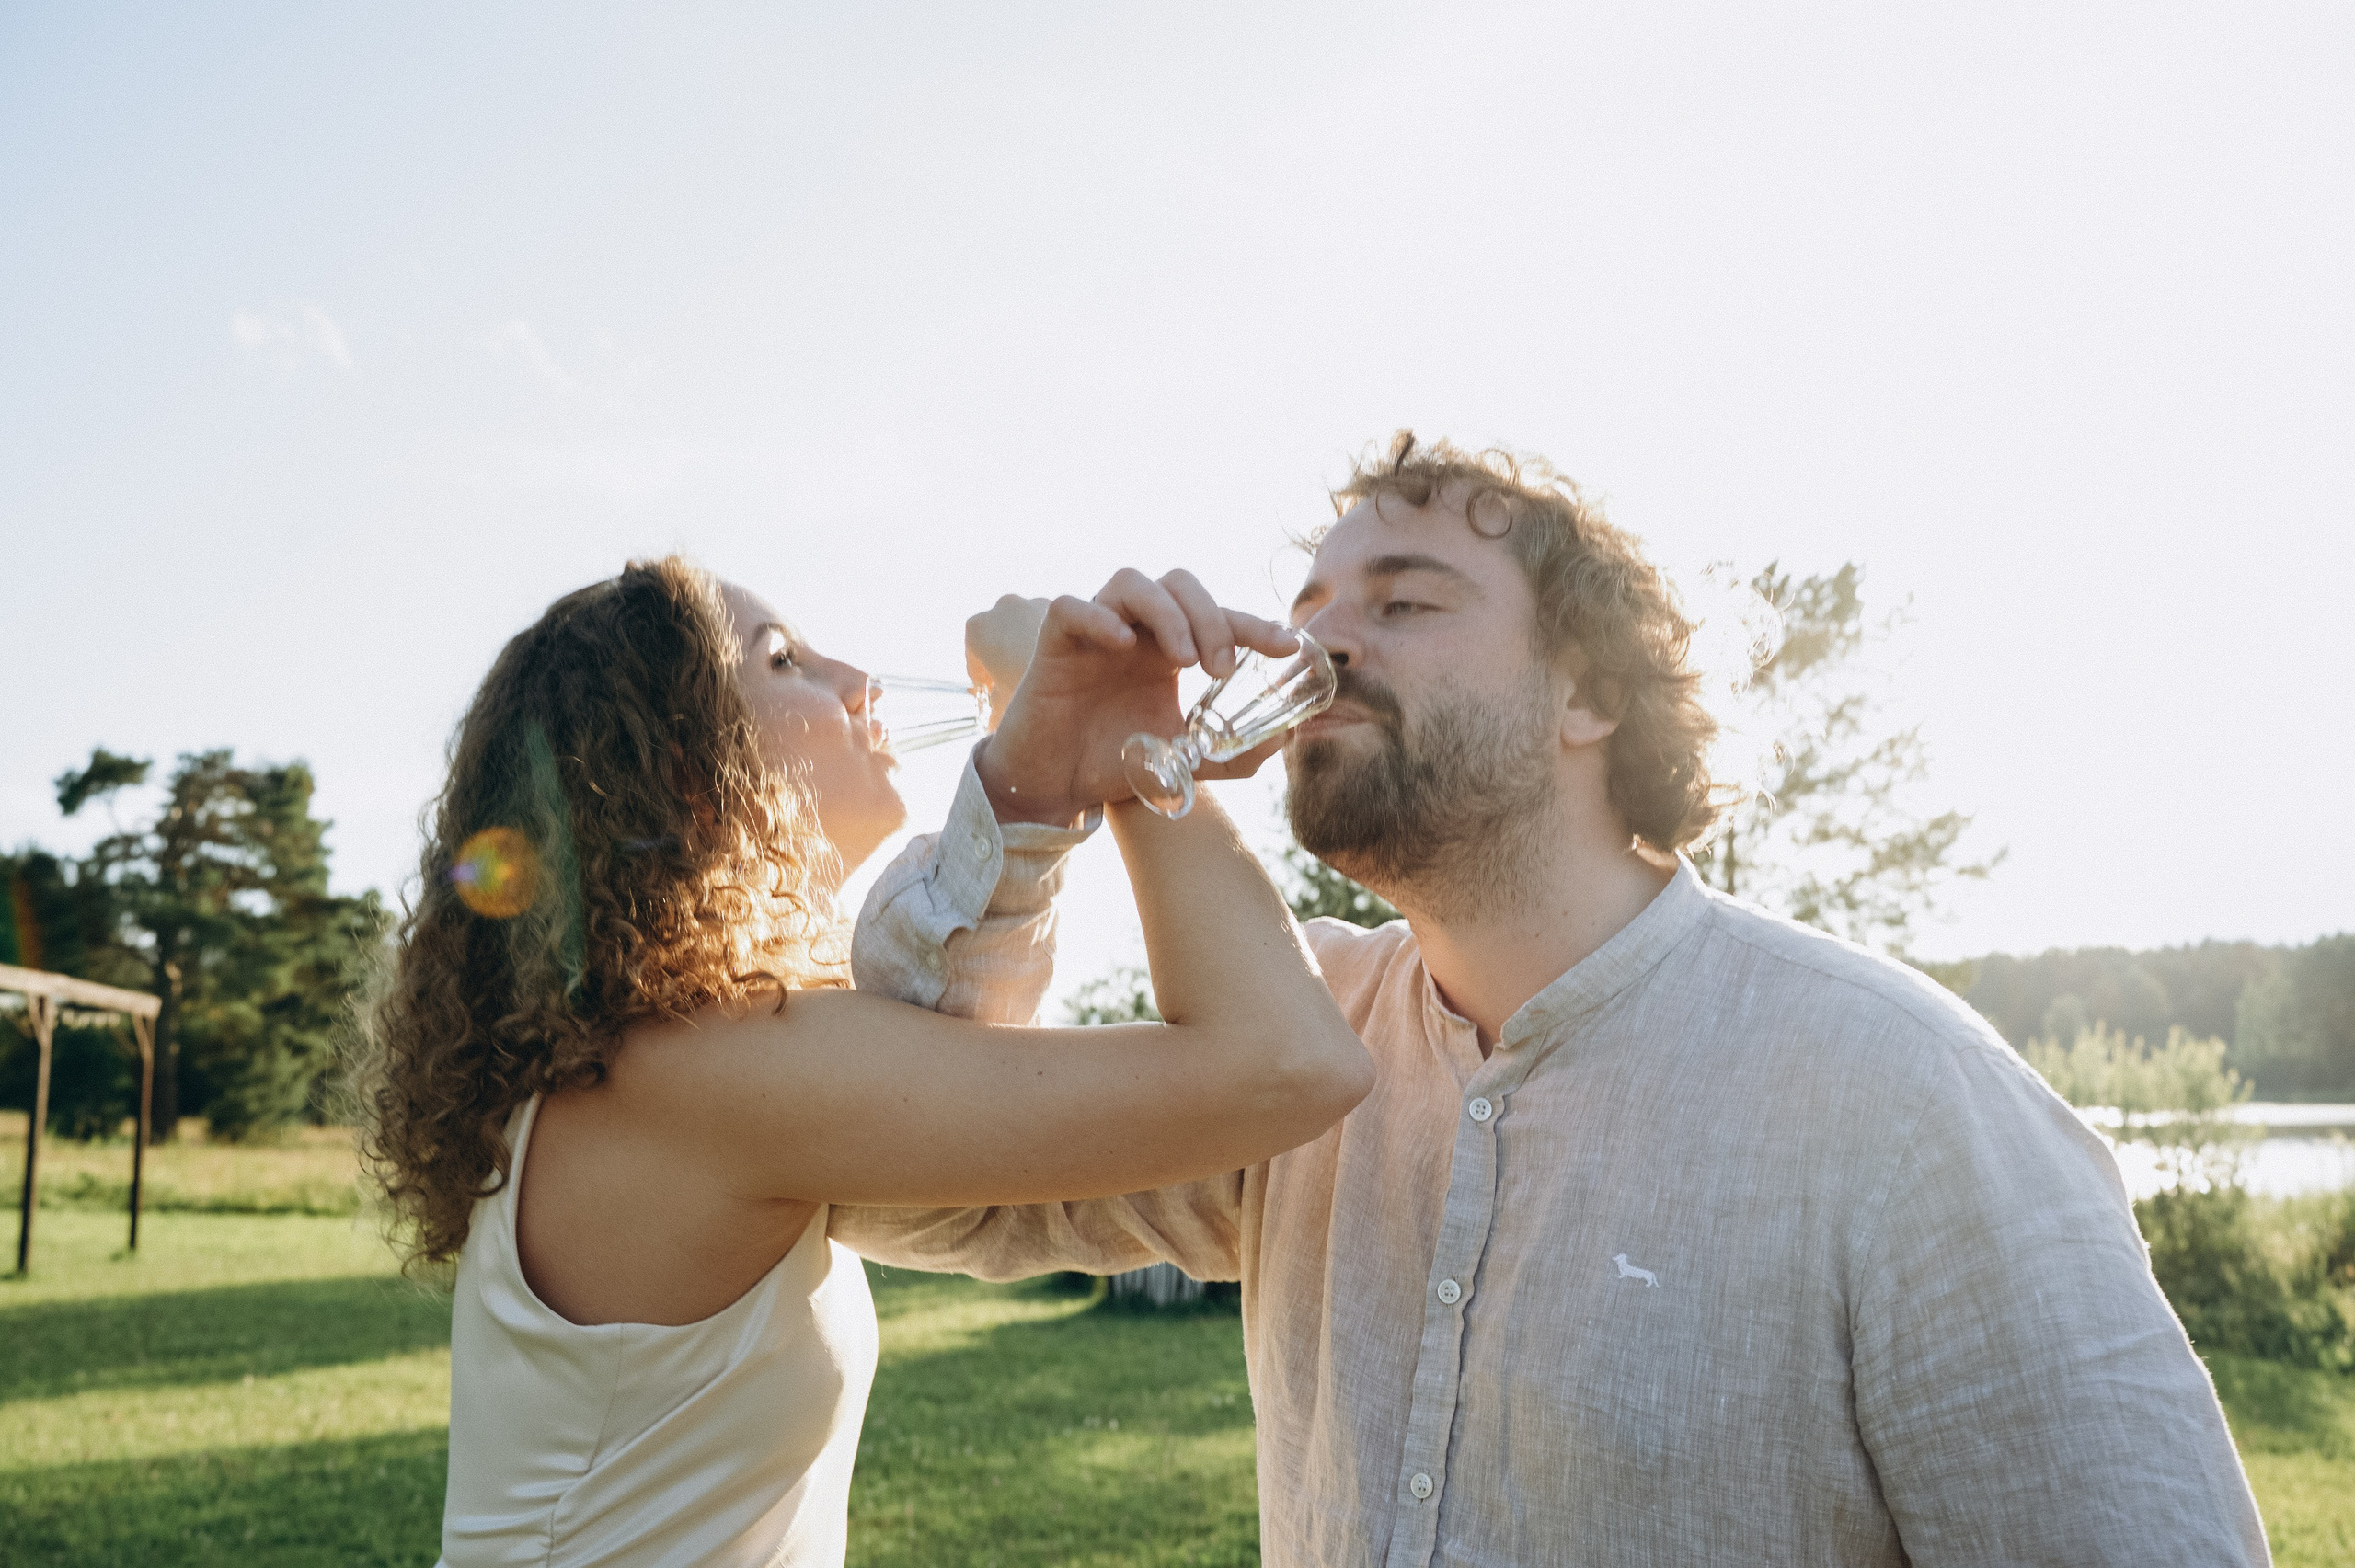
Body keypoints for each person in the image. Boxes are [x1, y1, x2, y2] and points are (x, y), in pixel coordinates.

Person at [834, 435, 2270, 1565]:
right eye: (1315, 607)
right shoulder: (1289, 1048)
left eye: (1404, 601)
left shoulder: (1902, 1099)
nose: (1314, 653)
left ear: (1590, 699)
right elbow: (919, 1183)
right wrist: (1032, 789)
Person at [352, 555, 1372, 1568]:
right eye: (786, 659)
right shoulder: (703, 1073)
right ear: (684, 772)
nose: (858, 683)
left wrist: (1045, 766)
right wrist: (1131, 745)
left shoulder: (660, 1061)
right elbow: (1285, 1064)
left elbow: (957, 1045)